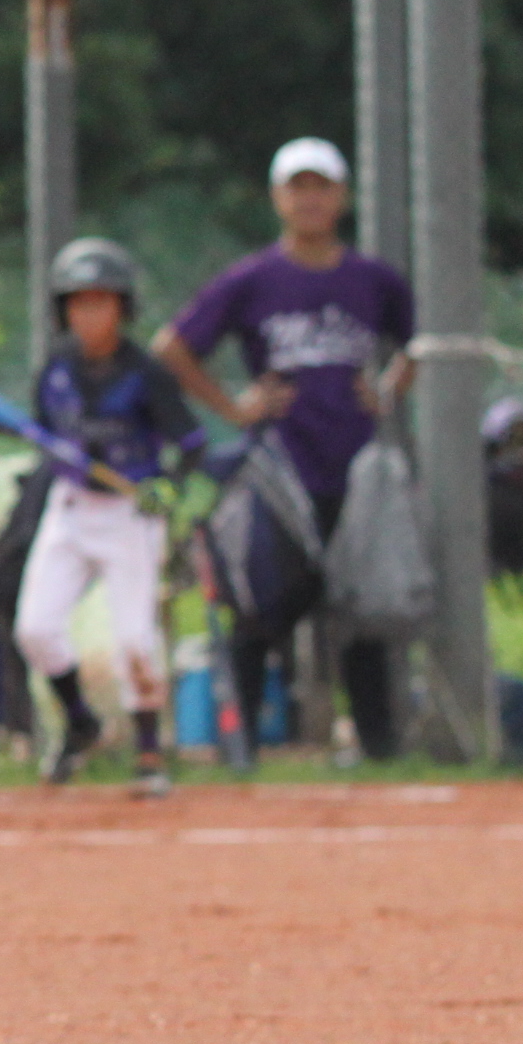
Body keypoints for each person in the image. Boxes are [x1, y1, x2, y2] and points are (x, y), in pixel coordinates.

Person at [155, 137, 415, 762]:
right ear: (278, 198)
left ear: (342, 197)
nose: (310, 200)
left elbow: (418, 343)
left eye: (322, 187)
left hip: (355, 466)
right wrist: (233, 407)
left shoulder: (372, 279)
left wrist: (386, 390)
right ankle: (239, 746)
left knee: (362, 609)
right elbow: (172, 346)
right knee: (261, 605)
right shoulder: (254, 280)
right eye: (298, 188)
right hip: (279, 467)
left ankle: (378, 748)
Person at [13, 239, 205, 794]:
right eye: (78, 303)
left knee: (135, 641)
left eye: (101, 302)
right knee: (36, 630)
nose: (89, 315)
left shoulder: (145, 373)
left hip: (129, 514)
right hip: (72, 507)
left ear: (122, 308)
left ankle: (148, 755)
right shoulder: (57, 368)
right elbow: (43, 431)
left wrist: (165, 487)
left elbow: (191, 444)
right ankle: (80, 724)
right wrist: (60, 456)